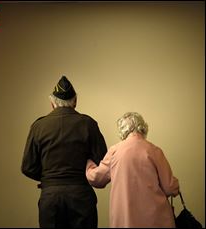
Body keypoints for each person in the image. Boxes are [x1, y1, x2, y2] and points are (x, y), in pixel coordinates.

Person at [21, 75, 107, 228]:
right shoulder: (88, 124)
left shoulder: (38, 127)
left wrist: (49, 177)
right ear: (75, 101)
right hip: (81, 196)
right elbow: (103, 160)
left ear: (52, 103)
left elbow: (28, 167)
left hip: (50, 198)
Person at [86, 112, 179, 228]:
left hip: (126, 220)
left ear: (122, 130)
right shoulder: (154, 150)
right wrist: (175, 185)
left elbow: (97, 179)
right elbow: (170, 187)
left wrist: (89, 164)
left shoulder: (115, 151)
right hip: (156, 219)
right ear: (143, 127)